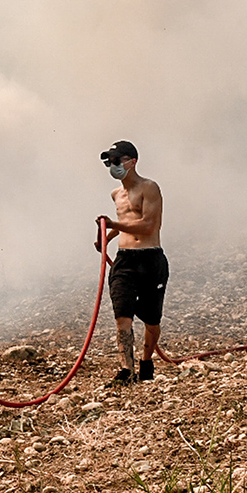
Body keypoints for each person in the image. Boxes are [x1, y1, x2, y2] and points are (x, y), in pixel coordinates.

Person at [97, 141, 167, 384]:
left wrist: (114, 226)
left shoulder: (149, 188)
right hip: (124, 259)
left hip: (150, 258)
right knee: (122, 315)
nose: (112, 166)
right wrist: (107, 237)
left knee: (151, 319)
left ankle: (146, 361)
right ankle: (126, 369)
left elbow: (148, 224)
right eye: (109, 162)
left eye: (117, 161)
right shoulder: (116, 194)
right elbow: (125, 220)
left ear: (132, 161)